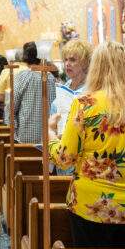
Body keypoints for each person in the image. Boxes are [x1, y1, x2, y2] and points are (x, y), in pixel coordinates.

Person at [47, 41, 125, 248]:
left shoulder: (85, 104)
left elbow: (64, 159)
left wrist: (51, 133)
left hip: (93, 206)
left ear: (96, 68)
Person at [47, 40, 92, 174]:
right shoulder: (63, 88)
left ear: (85, 63)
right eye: (65, 59)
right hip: (61, 149)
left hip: (81, 155)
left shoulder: (91, 90)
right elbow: (53, 116)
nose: (67, 64)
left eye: (72, 60)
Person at [11, 42, 57, 144]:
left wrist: (13, 129)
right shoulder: (51, 77)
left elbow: (11, 106)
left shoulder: (23, 76)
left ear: (25, 57)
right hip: (49, 135)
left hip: (26, 134)